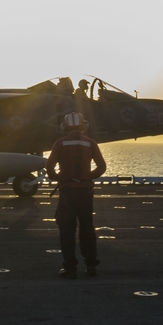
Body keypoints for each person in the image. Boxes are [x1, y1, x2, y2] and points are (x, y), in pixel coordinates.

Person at [45, 112, 107, 279]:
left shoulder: (60, 143)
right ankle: (91, 265)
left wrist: (60, 178)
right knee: (87, 228)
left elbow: (49, 167)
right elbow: (101, 167)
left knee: (66, 230)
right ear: (83, 125)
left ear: (65, 126)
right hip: (85, 192)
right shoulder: (91, 143)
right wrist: (87, 177)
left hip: (67, 192)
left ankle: (70, 267)